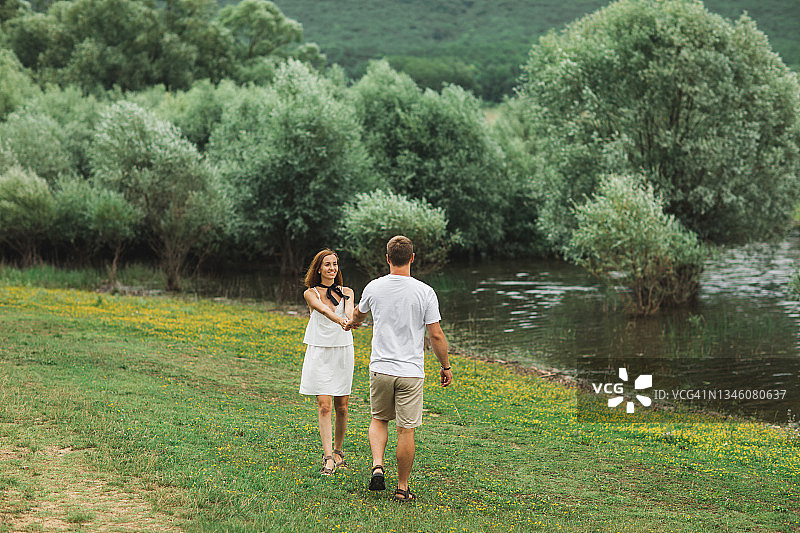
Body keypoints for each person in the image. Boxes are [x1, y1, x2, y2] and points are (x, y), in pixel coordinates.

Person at [345, 235, 452, 502]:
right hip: (411, 372)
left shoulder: (374, 287)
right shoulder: (425, 292)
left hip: (381, 367)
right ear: (412, 258)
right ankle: (402, 488)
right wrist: (445, 366)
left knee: (379, 419)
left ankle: (378, 465)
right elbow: (436, 335)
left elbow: (358, 314)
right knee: (406, 430)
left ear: (388, 258)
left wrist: (353, 322)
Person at [299, 249, 355, 476]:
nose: (332, 268)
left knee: (342, 406)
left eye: (335, 264)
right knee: (325, 405)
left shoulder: (348, 291)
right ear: (319, 268)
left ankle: (339, 452)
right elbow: (322, 309)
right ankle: (328, 457)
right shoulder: (310, 293)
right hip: (320, 351)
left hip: (342, 351)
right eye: (327, 264)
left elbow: (350, 310)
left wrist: (350, 319)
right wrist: (340, 320)